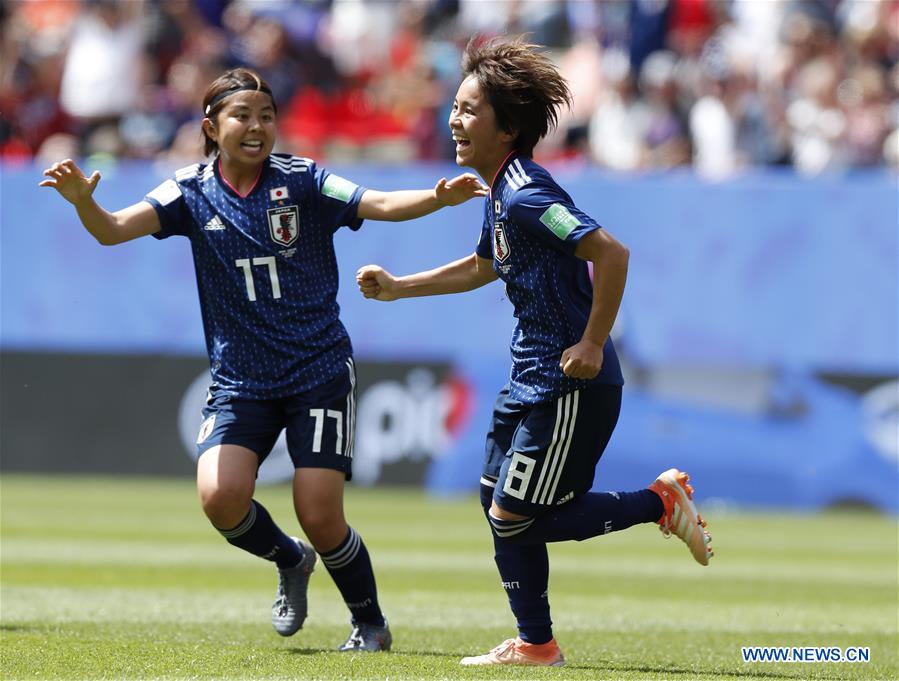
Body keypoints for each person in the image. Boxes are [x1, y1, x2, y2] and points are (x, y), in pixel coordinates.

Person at [40, 67, 487, 653]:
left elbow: (377, 202)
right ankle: (289, 559)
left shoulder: (302, 180)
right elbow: (113, 230)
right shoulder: (188, 190)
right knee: (220, 498)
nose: (257, 127)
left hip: (317, 371)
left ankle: (370, 624)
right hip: (241, 380)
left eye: (266, 116)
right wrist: (84, 203)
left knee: (320, 515)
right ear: (211, 127)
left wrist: (437, 197)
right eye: (242, 116)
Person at [356, 36, 713, 667]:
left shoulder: (526, 196)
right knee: (499, 505)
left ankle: (658, 503)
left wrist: (593, 341)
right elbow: (483, 265)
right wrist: (399, 287)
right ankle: (536, 644)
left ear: (508, 128)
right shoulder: (499, 191)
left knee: (514, 513)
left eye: (468, 109)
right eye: (455, 106)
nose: (454, 120)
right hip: (529, 377)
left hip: (570, 385)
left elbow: (610, 252)